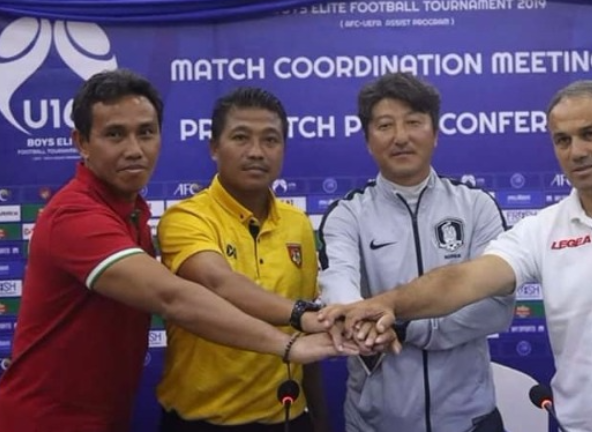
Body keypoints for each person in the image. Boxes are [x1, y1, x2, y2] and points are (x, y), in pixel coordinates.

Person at [320, 80, 592, 432]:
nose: (577, 151)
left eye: (589, 134)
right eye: (562, 140)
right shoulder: (542, 229)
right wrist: (387, 304)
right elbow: (462, 281)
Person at [0, 69, 350, 432]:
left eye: (146, 133)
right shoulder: (75, 215)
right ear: (82, 142)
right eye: (115, 134)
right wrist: (291, 340)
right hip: (44, 420)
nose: (134, 150)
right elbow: (175, 297)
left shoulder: (132, 212)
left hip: (106, 417)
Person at [318, 72, 515, 432]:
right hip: (375, 423)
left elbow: (497, 308)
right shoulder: (347, 214)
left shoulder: (476, 206)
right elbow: (340, 293)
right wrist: (361, 323)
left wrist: (406, 327)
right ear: (367, 140)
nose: (400, 137)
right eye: (385, 125)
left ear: (435, 133)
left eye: (413, 122)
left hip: (470, 421)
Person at [155, 86, 339, 432]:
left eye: (270, 140)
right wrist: (301, 314)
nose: (256, 152)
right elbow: (219, 283)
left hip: (286, 417)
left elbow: (306, 331)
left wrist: (319, 418)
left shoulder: (298, 224)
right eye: (241, 137)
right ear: (214, 147)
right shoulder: (186, 218)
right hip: (201, 422)